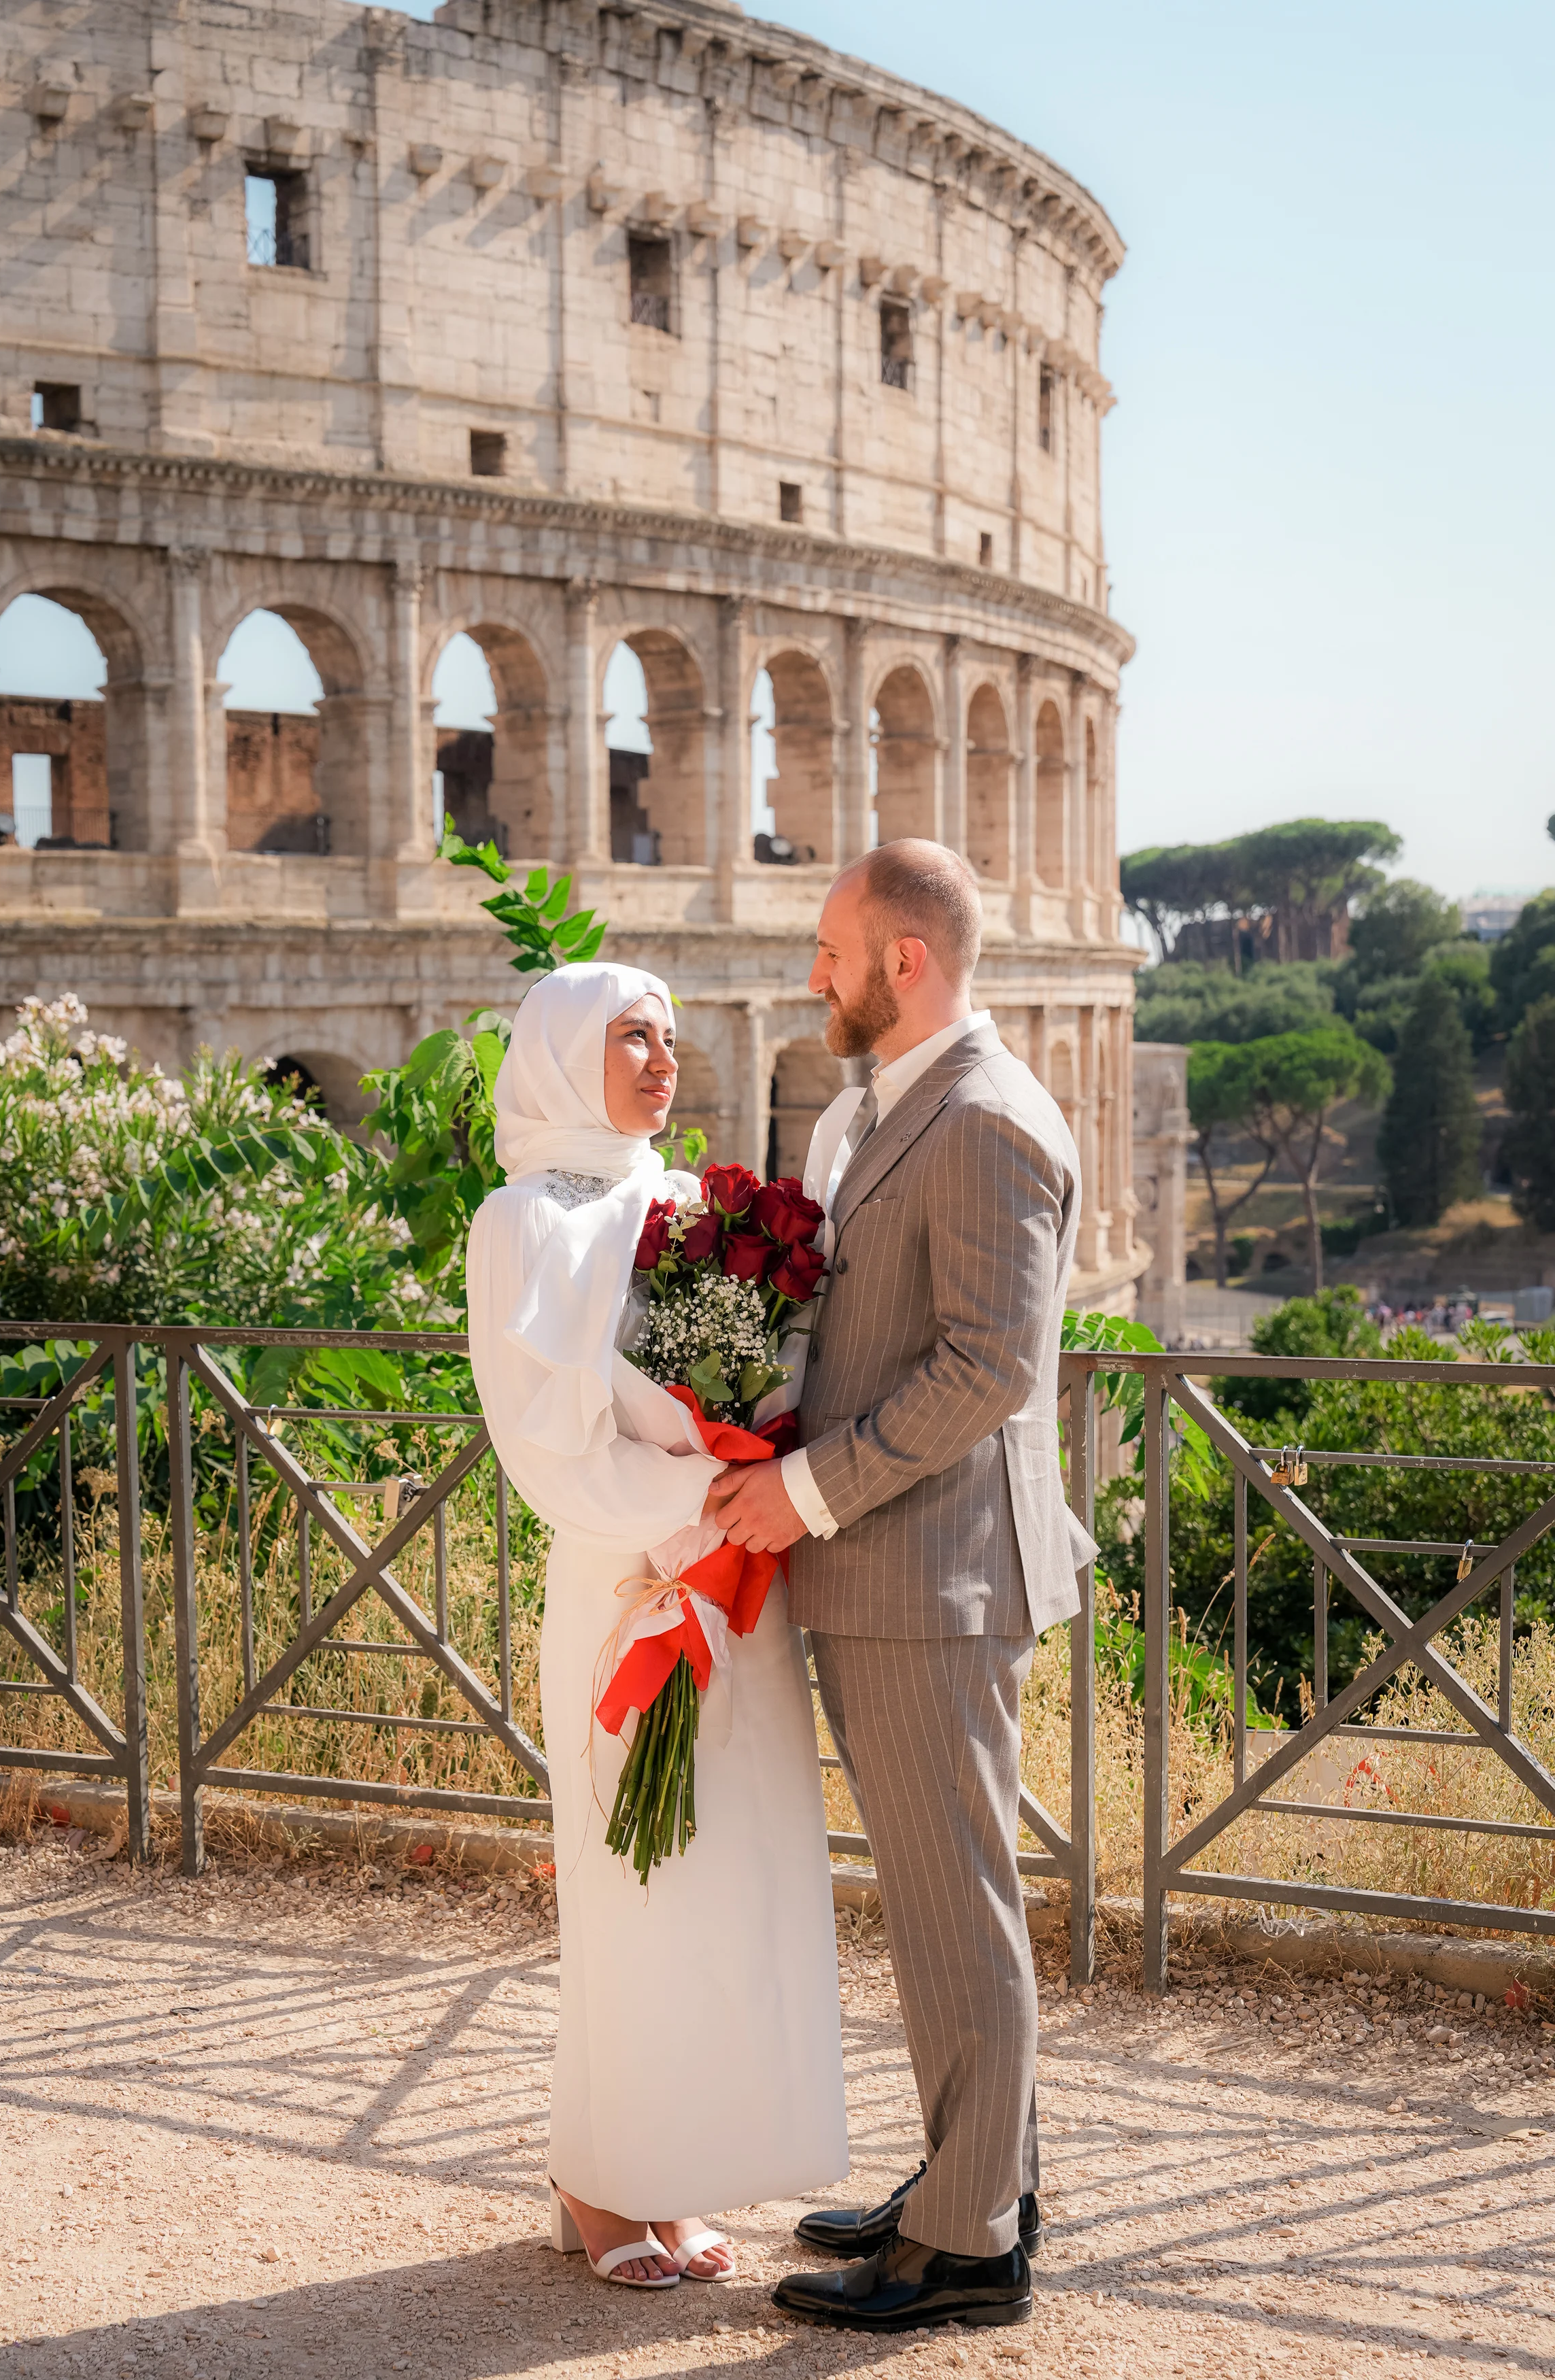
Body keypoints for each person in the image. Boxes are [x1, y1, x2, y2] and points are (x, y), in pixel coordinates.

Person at [709, 840, 1092, 2337]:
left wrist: (799, 1488)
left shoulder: (985, 1117)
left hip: (927, 1575)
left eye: (828, 947)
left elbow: (986, 1370)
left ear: (903, 961)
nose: (814, 972)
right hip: (893, 1571)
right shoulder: (904, 1100)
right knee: (942, 1903)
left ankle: (970, 2251)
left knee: (955, 1908)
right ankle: (968, 2179)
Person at [466, 962, 847, 2292]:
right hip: (631, 1583)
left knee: (719, 1883)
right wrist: (704, 1496)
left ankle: (670, 2175)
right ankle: (596, 2179)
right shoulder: (519, 1222)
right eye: (631, 1035)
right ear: (566, 1052)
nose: (660, 1058)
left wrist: (748, 1484)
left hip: (735, 1586)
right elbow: (538, 1444)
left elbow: (749, 1379)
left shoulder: (686, 1206)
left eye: (670, 1037)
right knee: (631, 1886)